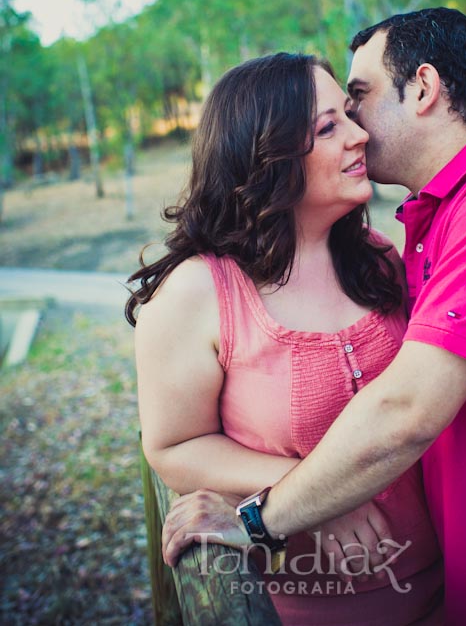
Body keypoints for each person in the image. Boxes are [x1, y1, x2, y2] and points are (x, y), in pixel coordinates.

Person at [164, 9, 466, 626]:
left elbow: (405, 411)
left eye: (359, 98)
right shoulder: (447, 215)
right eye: (333, 118)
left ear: (423, 89)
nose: (358, 130)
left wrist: (263, 517)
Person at [128, 52, 444, 626]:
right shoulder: (196, 293)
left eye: (349, 115)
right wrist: (311, 496)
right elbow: (172, 448)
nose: (359, 135)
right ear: (265, 157)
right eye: (328, 127)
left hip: (449, 590)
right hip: (301, 607)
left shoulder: (380, 262)